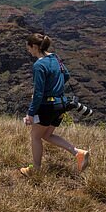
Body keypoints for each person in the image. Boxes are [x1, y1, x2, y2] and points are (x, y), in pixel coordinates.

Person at [21, 33, 89, 176]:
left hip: (47, 106)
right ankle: (78, 153)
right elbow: (66, 75)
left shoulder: (39, 65)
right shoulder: (55, 58)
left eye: (28, 47)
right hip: (61, 104)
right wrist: (54, 89)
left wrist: (30, 113)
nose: (28, 50)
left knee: (35, 136)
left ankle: (36, 170)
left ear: (34, 47)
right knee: (47, 135)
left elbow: (39, 93)